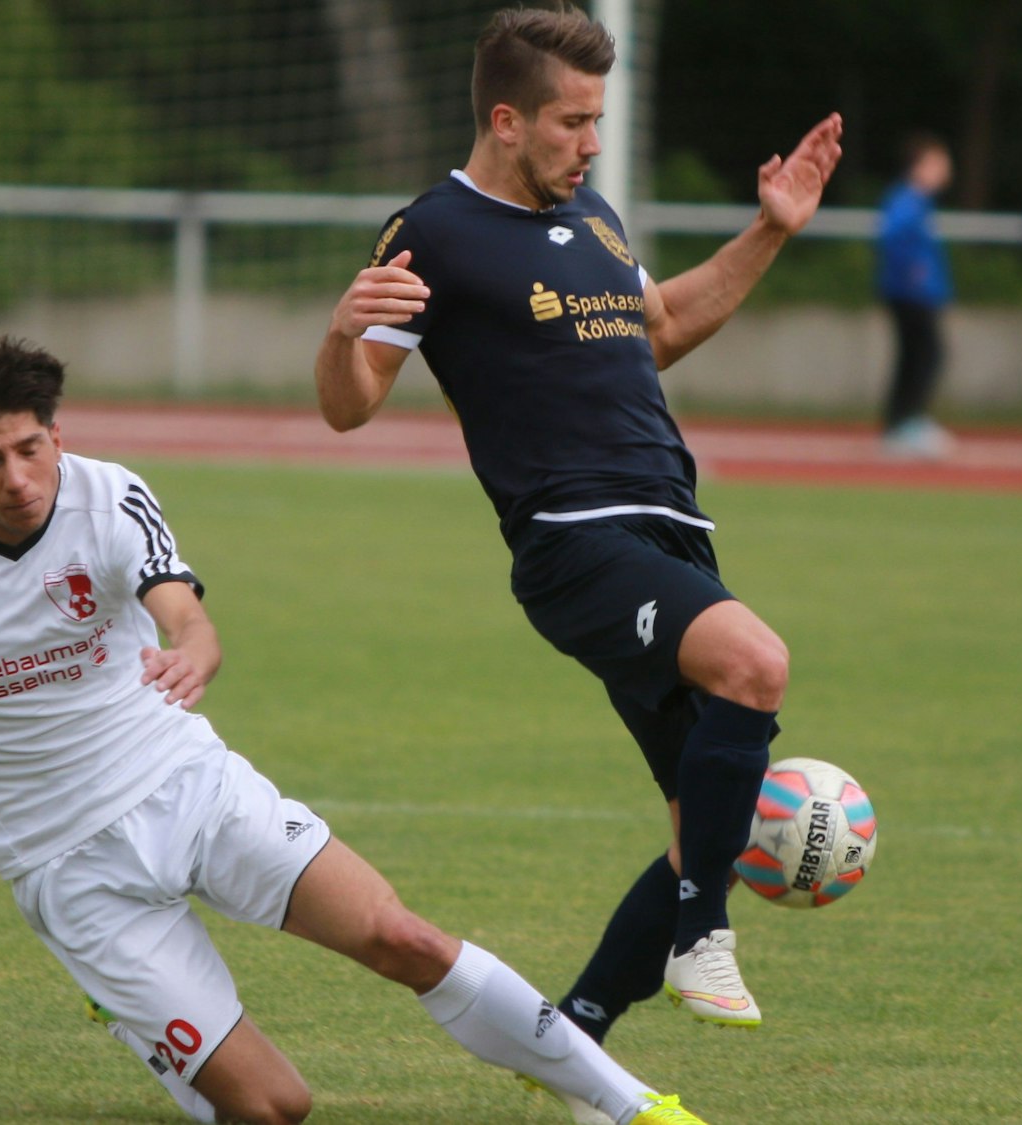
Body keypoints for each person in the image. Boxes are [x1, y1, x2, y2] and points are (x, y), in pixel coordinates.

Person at [0, 337, 714, 1125]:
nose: (17, 477)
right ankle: (129, 1010)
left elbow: (183, 611)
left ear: (56, 438)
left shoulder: (107, 495)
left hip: (184, 787)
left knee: (399, 936)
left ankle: (628, 1106)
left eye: (31, 448)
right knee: (274, 1108)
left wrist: (192, 648)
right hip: (63, 865)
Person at [313, 3, 842, 1088]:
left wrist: (772, 227)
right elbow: (352, 404)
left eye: (594, 121)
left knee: (713, 817)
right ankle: (701, 938)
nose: (590, 143)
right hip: (572, 544)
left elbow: (657, 331)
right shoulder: (433, 232)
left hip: (668, 531)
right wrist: (336, 333)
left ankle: (573, 1035)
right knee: (756, 662)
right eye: (570, 122)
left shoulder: (593, 216)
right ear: (505, 120)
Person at [875, 132, 955, 458]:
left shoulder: (919, 202)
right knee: (926, 355)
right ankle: (907, 423)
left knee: (916, 356)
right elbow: (892, 238)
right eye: (937, 164)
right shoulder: (907, 199)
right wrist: (913, 273)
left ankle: (902, 422)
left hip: (916, 293)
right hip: (910, 294)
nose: (944, 171)